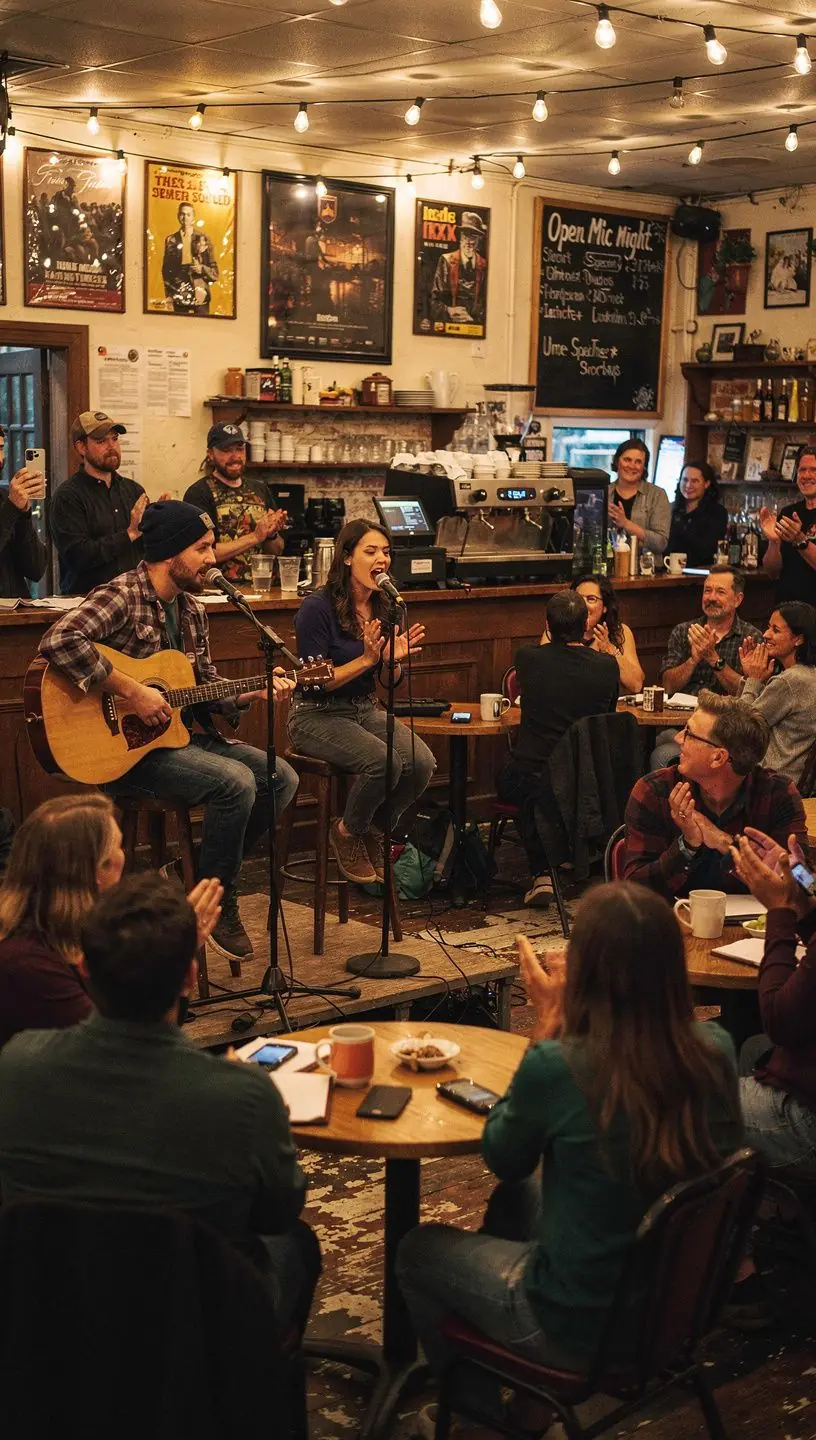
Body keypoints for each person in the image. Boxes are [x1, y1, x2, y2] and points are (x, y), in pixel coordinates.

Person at [396, 885, 742, 1401]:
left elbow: (504, 1156)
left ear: (587, 970)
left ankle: (475, 1421)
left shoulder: (559, 1064)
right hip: (677, 1304)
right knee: (516, 1202)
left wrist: (545, 1027)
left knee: (416, 1251)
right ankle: (527, 1405)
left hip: (580, 1329)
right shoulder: (716, 1048)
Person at [0, 872, 320, 1336]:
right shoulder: (243, 1095)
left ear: (84, 967)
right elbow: (276, 1212)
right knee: (296, 1243)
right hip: (194, 1331)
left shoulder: (16, 1064)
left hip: (51, 1323)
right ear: (191, 977)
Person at [38, 500, 298, 965]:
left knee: (281, 778)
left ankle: (190, 872)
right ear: (169, 552)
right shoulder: (122, 594)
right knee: (234, 782)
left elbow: (200, 688)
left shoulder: (193, 610)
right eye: (202, 548)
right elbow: (59, 641)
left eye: (212, 546)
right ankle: (216, 900)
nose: (212, 558)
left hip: (174, 740)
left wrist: (250, 694)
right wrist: (132, 691)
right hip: (125, 755)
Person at [289, 519, 435, 886]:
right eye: (370, 551)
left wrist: (391, 664)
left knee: (420, 763)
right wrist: (367, 660)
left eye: (386, 552)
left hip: (364, 707)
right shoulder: (316, 608)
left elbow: (389, 682)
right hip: (315, 714)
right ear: (347, 557)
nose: (381, 559)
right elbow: (314, 681)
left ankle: (372, 829)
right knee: (383, 762)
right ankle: (346, 831)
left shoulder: (388, 606)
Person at [622, 689, 807, 901]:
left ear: (718, 758)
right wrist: (688, 846)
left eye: (689, 733)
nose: (678, 738)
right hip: (672, 927)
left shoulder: (778, 795)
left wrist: (725, 843)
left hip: (757, 929)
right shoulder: (655, 791)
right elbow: (633, 894)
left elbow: (809, 886)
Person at [497, 590, 619, 905]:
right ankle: (579, 857)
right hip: (589, 780)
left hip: (538, 777)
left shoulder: (528, 658)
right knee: (537, 782)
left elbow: (546, 654)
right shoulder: (607, 667)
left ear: (547, 626)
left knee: (514, 778)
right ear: (586, 624)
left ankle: (542, 873)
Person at [730, 829, 816, 1175]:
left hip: (807, 1121)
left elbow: (780, 1022)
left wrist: (780, 912)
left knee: (680, 1098)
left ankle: (702, 1220)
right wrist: (800, 882)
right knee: (751, 1048)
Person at [651, 566, 763, 769]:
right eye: (707, 590)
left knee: (665, 752)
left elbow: (748, 691)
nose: (711, 597)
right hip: (681, 725)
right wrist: (694, 659)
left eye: (720, 592)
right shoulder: (683, 631)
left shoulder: (751, 637)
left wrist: (713, 658)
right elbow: (667, 686)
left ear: (738, 599)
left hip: (725, 732)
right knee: (661, 744)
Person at [50, 411, 146, 596]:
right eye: (101, 441)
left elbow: (148, 550)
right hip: (88, 604)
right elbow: (78, 556)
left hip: (134, 600)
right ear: (81, 448)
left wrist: (164, 521)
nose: (112, 447)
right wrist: (129, 534)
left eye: (115, 439)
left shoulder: (134, 491)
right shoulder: (68, 496)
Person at [184, 422, 286, 587]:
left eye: (239, 449)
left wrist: (271, 535)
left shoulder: (260, 490)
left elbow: (278, 550)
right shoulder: (199, 493)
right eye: (226, 450)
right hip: (219, 592)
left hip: (265, 590)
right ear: (210, 454)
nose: (235, 456)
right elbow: (202, 553)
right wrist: (254, 537)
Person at [739, 602, 816, 785]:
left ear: (798, 639)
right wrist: (751, 679)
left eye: (775, 630)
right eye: (768, 627)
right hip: (791, 779)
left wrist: (753, 680)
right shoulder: (808, 674)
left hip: (770, 782)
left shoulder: (790, 681)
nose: (765, 635)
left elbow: (740, 728)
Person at [563, 573, 644, 694]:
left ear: (605, 606)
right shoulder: (556, 630)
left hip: (609, 710)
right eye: (578, 599)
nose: (583, 606)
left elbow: (636, 684)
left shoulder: (620, 632)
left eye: (591, 599)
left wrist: (610, 649)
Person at [760, 445, 816, 606]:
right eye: (802, 470)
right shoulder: (788, 513)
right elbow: (772, 571)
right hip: (786, 609)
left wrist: (800, 540)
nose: (806, 475)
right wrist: (774, 542)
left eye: (814, 470)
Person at [0, 424, 47, 599]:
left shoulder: (5, 498)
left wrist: (24, 513)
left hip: (18, 615)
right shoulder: (8, 504)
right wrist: (12, 509)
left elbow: (35, 569)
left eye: (0, 448)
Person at [606, 439, 670, 558]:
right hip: (607, 569)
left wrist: (626, 523)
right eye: (627, 460)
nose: (632, 466)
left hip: (647, 571)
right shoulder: (604, 493)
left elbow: (660, 543)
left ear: (644, 467)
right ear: (617, 461)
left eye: (638, 462)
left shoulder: (657, 495)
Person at [430, 211, 488, 328]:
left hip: (475, 329)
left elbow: (489, 304)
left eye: (473, 237)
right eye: (465, 236)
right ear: (460, 238)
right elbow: (433, 301)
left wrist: (474, 321)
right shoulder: (446, 261)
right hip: (449, 327)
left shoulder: (484, 265)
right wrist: (449, 311)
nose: (469, 242)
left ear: (479, 240)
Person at [668, 461, 728, 568]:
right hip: (668, 571)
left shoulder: (717, 512)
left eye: (695, 481)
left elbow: (708, 549)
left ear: (706, 484)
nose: (688, 485)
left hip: (701, 574)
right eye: (685, 480)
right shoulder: (670, 509)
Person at [162, 202, 219, 316]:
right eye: (182, 214)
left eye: (188, 215)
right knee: (179, 324)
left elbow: (215, 272)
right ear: (178, 216)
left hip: (199, 286)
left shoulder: (204, 239)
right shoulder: (171, 240)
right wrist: (169, 293)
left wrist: (201, 269)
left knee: (203, 325)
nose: (185, 218)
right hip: (179, 286)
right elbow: (166, 270)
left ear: (193, 218)